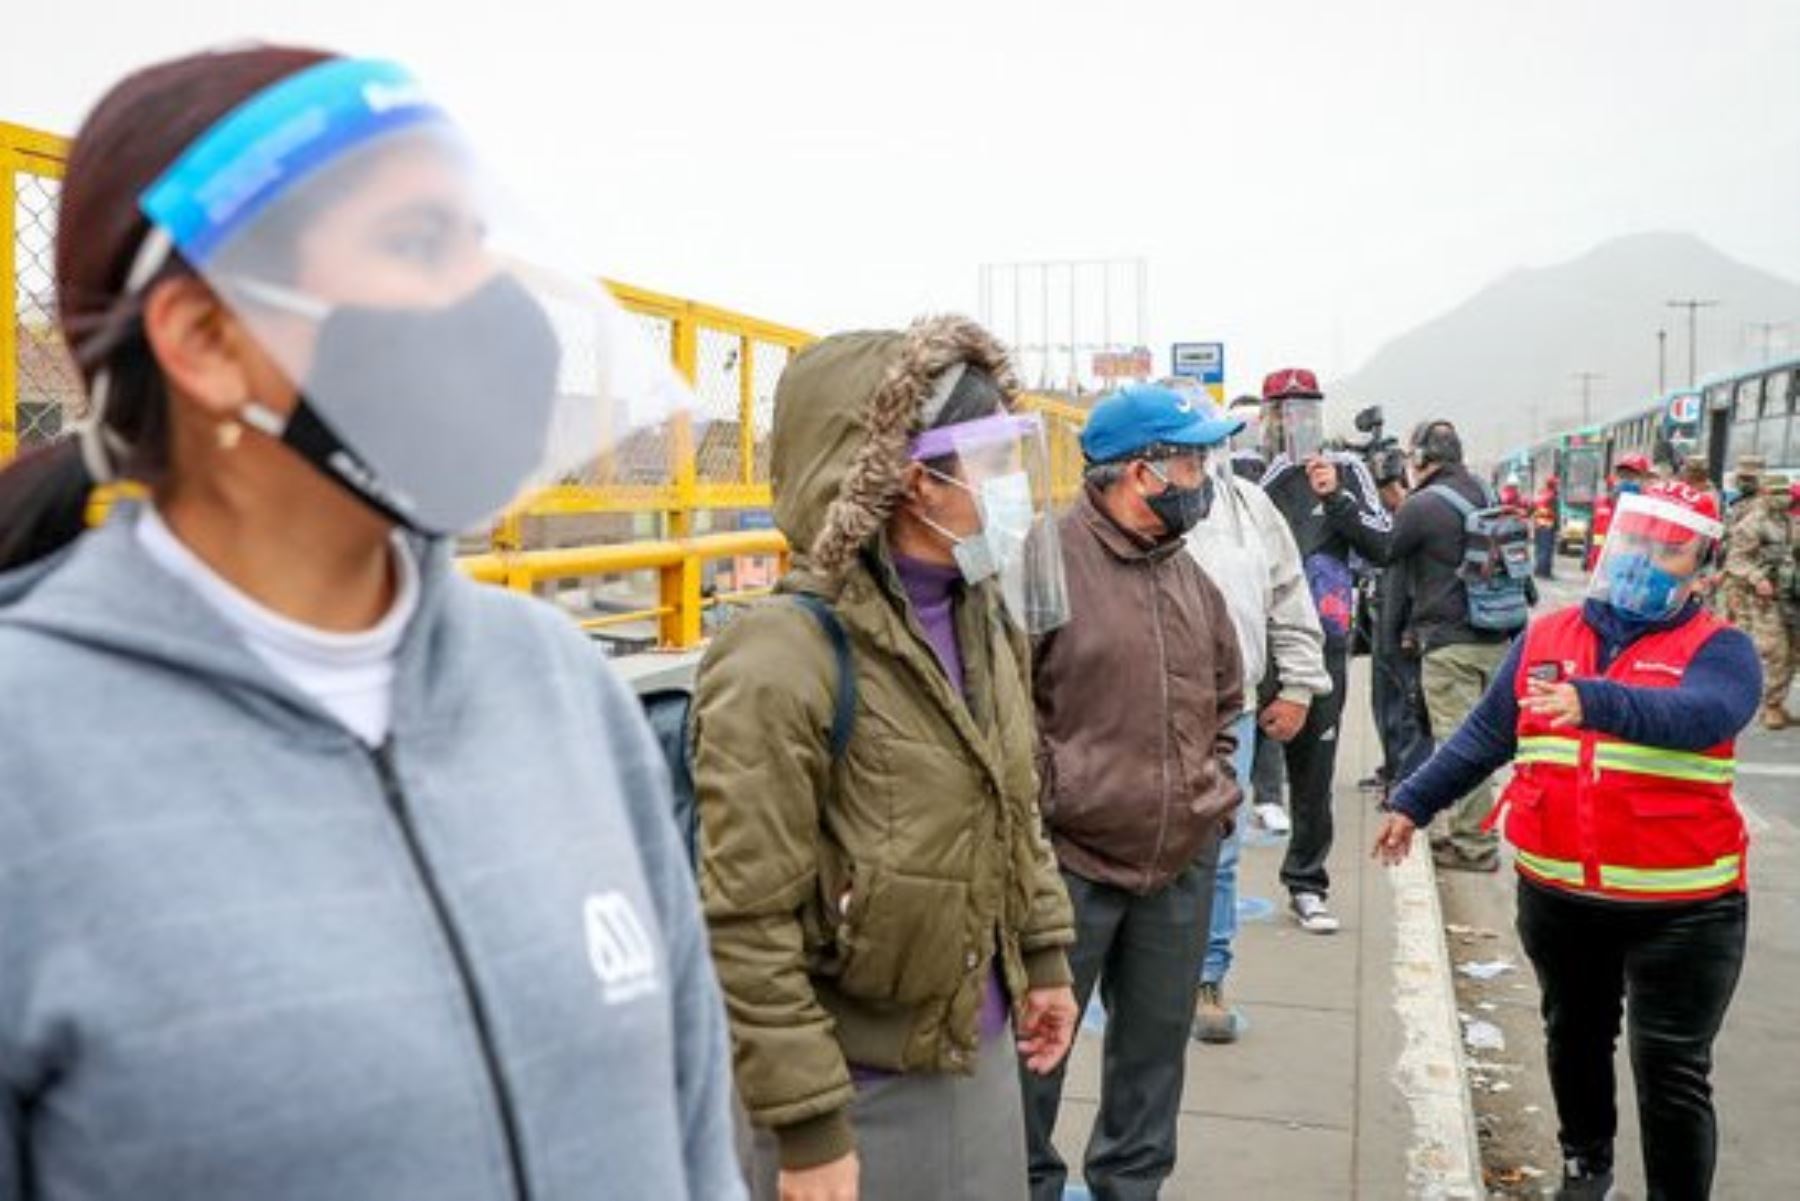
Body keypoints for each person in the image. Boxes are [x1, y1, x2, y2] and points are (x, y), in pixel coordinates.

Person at [0, 48, 743, 1199]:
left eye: (474, 239)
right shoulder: (26, 756)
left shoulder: (557, 685)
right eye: (415, 245)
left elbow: (695, 1137)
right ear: (202, 336)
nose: (492, 300)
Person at [691, 320, 1078, 1201]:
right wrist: (808, 1125)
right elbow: (743, 919)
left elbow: (1012, 809)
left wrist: (1044, 955)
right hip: (854, 1095)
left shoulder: (983, 615)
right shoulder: (779, 657)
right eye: (990, 461)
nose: (1014, 486)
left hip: (973, 1055)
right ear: (913, 479)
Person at [1375, 479, 1759, 1201]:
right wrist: (1413, 801)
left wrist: (1597, 700)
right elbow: (1486, 734)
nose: (1646, 556)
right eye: (1636, 538)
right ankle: (1587, 1165)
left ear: (1704, 567)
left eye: (1670, 547)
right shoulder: (1548, 637)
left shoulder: (1723, 649)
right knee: (1573, 1039)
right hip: (1562, 899)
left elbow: (1703, 714)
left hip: (1683, 911)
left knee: (1671, 1071)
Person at [1022, 384, 1244, 1200]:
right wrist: (1053, 801)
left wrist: (1210, 791)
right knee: (1031, 1067)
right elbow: (1007, 706)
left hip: (1177, 865)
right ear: (1140, 473)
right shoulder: (1042, 559)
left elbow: (1228, 695)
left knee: (1151, 1072)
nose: (1203, 474)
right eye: (1190, 458)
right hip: (1068, 866)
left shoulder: (1190, 578)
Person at [1177, 388, 1330, 1044]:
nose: (1205, 453)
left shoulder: (1249, 506)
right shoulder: (1126, 510)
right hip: (1138, 713)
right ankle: (1140, 976)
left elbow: (1289, 596)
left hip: (1229, 712)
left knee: (1220, 849)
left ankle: (1206, 979)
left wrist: (1298, 683)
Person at [1256, 367, 1392, 933]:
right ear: (1265, 416)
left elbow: (1384, 544)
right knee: (1223, 772)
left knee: (1314, 774)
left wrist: (1335, 499)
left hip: (1323, 645)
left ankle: (1307, 884)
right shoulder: (1244, 471)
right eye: (1285, 411)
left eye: (1308, 409)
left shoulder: (1346, 470)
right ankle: (1206, 906)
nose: (1297, 421)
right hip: (1254, 643)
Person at [1387, 420, 1529, 872]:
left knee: (1459, 744)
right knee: (1486, 740)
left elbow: (1380, 549)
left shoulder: (1422, 505)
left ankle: (1474, 846)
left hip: (1450, 644)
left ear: (1423, 459)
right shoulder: (1485, 493)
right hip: (1498, 636)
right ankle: (1471, 834)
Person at [1363, 442, 1433, 800]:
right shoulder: (1404, 513)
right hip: (1386, 621)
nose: (1384, 498)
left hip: (1408, 628)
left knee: (1407, 711)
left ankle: (1406, 784)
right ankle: (1393, 771)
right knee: (1384, 705)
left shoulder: (1419, 512)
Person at [1720, 468, 1794, 729]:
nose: (1783, 497)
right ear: (1764, 492)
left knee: (1792, 652)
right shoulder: (1753, 523)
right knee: (1776, 650)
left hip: (1788, 595)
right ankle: (1769, 707)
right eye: (1777, 492)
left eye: (1786, 492)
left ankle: (1777, 703)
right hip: (1760, 596)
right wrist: (1756, 578)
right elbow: (1736, 559)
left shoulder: (1787, 520)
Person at [1583, 452, 1653, 572]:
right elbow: (1590, 535)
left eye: (1632, 476)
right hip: (1600, 571)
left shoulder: (1651, 508)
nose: (1625, 480)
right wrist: (1587, 560)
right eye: (1622, 475)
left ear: (1644, 479)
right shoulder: (1601, 504)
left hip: (1632, 574)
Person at [1532, 475, 1561, 579]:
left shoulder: (1540, 494)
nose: (1558, 486)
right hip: (1548, 526)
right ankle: (1545, 572)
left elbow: (1533, 508)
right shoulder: (1552, 496)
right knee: (1546, 550)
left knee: (1539, 549)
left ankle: (1538, 570)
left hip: (1538, 525)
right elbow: (1555, 513)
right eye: (1556, 484)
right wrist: (1558, 527)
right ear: (1553, 485)